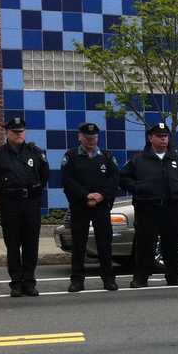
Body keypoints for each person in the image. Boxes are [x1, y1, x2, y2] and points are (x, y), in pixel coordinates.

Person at [120, 122, 178, 287]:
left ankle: (174, 275)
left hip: (173, 208)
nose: (163, 140)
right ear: (150, 138)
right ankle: (141, 277)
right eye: (159, 136)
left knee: (172, 243)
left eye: (165, 137)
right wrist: (138, 189)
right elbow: (124, 178)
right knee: (145, 244)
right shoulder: (139, 160)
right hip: (147, 208)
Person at [0, 116, 49, 297]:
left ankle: (29, 282)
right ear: (7, 132)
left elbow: (44, 175)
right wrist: (5, 192)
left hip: (30, 204)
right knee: (13, 245)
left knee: (31, 245)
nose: (19, 134)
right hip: (10, 204)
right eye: (15, 131)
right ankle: (16, 283)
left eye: (21, 131)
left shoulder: (35, 152)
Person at [60, 123, 120, 292]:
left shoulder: (107, 157)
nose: (91, 141)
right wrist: (86, 196)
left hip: (101, 207)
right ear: (80, 136)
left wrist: (101, 196)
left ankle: (108, 279)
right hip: (80, 206)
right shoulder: (71, 156)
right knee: (79, 245)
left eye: (94, 138)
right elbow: (67, 181)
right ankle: (77, 280)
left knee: (104, 244)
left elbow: (114, 180)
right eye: (87, 138)